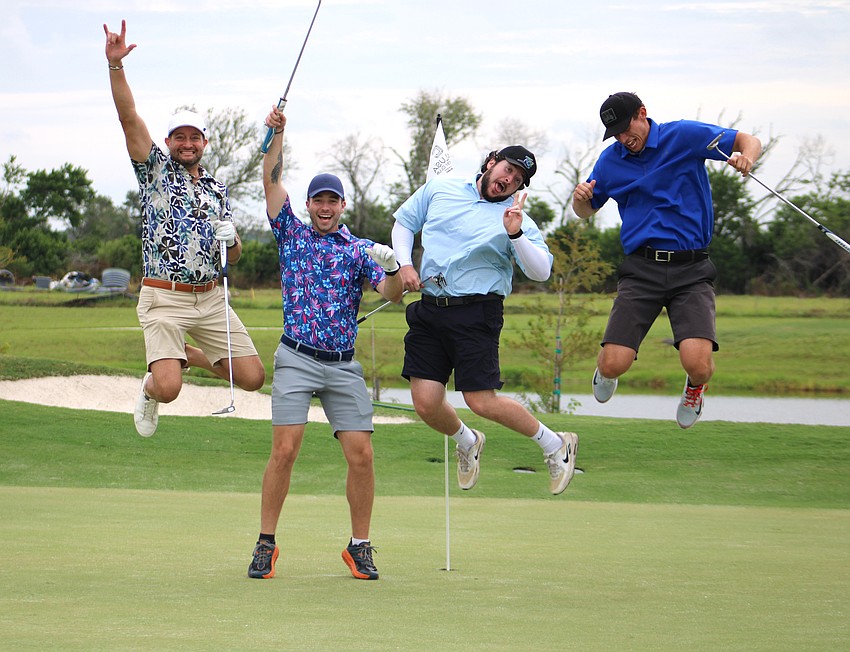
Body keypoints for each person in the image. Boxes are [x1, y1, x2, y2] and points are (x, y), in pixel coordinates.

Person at [247, 107, 404, 581]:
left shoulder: (359, 250)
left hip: (342, 366)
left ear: (342, 205)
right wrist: (277, 134)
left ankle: (359, 545)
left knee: (362, 453)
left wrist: (393, 265)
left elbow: (392, 295)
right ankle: (265, 543)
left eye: (333, 201)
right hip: (295, 357)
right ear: (310, 203)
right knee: (285, 449)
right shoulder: (291, 232)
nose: (325, 207)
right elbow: (271, 182)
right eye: (318, 200)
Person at [104, 21, 265, 437]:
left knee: (252, 377)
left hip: (210, 298)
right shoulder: (155, 170)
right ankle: (153, 381)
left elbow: (233, 257)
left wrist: (233, 243)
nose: (187, 143)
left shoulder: (217, 188)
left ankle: (182, 354)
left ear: (205, 144)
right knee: (169, 389)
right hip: (164, 295)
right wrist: (115, 66)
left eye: (195, 137)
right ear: (169, 141)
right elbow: (128, 119)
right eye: (180, 137)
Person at [391, 146, 579, 496]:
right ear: (492, 163)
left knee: (481, 400)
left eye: (518, 180)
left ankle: (555, 445)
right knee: (426, 403)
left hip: (477, 312)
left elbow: (541, 271)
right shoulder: (441, 188)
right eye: (507, 169)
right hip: (430, 308)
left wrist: (515, 233)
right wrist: (404, 264)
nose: (509, 180)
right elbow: (404, 225)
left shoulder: (515, 217)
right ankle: (468, 440)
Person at [572, 92, 763, 428]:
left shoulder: (684, 136)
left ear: (642, 113)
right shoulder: (610, 161)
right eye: (614, 133)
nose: (622, 138)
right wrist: (581, 201)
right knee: (614, 363)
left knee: (698, 363)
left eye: (625, 128)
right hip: (641, 269)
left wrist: (747, 157)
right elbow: (586, 211)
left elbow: (748, 140)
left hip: (691, 270)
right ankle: (606, 370)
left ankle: (694, 389)